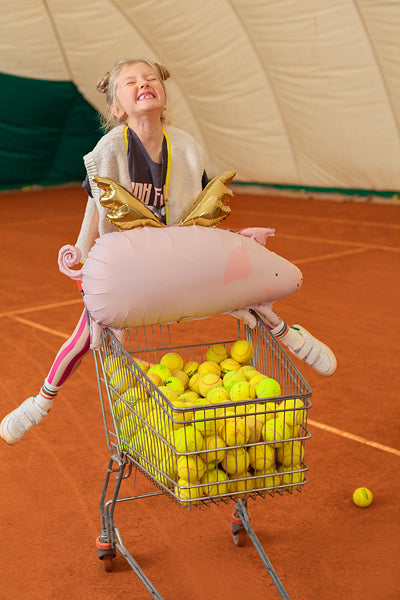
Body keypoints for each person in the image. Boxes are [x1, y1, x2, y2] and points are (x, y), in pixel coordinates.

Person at [0, 57, 336, 446]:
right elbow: (97, 207)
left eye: (151, 78)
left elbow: (200, 215)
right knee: (90, 332)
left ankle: (291, 336)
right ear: (117, 107)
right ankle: (40, 401)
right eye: (131, 82)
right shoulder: (110, 149)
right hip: (134, 268)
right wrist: (80, 256)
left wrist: (234, 241)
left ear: (162, 93)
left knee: (247, 292)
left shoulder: (187, 147)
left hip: (178, 259)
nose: (144, 83)